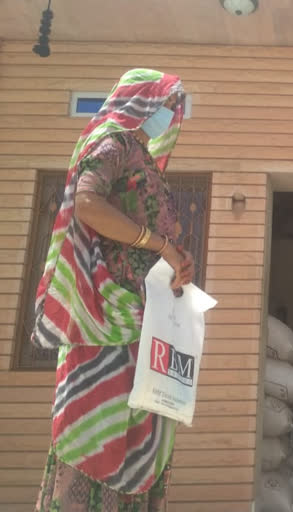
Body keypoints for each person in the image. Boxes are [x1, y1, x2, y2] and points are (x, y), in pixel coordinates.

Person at [32, 69, 194, 512]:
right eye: (164, 104)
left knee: (143, 430)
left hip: (147, 319)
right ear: (140, 101)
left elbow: (154, 230)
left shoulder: (144, 158)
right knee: (101, 433)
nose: (170, 114)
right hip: (108, 315)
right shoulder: (115, 142)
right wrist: (158, 243)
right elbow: (87, 203)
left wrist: (175, 258)